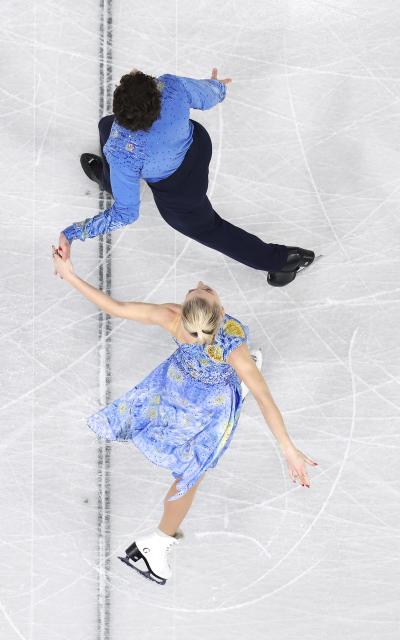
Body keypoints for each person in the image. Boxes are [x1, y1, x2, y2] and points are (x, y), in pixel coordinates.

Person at [51, 245, 318, 585]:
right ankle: (157, 543)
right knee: (193, 473)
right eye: (202, 290)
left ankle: (160, 540)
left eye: (199, 289)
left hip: (175, 390)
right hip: (208, 407)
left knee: (196, 459)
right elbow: (265, 397)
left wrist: (70, 274)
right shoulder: (231, 345)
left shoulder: (173, 318)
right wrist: (288, 449)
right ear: (219, 312)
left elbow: (115, 308)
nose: (201, 282)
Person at [57, 68, 315, 287]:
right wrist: (217, 87)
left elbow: (127, 213)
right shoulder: (170, 87)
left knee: (208, 228)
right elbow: (209, 95)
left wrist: (75, 232)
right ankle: (110, 181)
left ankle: (280, 261)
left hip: (180, 190)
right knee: (105, 125)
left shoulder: (120, 151)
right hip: (198, 146)